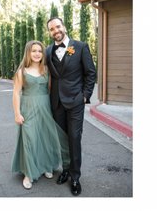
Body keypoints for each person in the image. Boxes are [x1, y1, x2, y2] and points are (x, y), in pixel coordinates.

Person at [46, 17, 96, 196]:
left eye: (58, 26)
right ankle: (65, 169)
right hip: (56, 103)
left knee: (74, 138)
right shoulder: (47, 50)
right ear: (49, 32)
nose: (56, 31)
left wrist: (85, 96)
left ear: (64, 27)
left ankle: (75, 177)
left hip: (76, 102)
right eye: (52, 29)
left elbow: (90, 73)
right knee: (62, 140)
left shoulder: (80, 47)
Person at [12, 40, 70, 190]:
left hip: (45, 108)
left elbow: (50, 90)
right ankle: (28, 174)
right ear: (28, 53)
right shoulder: (21, 72)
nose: (37, 53)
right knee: (30, 140)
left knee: (46, 138)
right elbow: (16, 94)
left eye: (39, 51)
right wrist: (17, 113)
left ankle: (46, 166)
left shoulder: (46, 70)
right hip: (28, 108)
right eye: (33, 51)